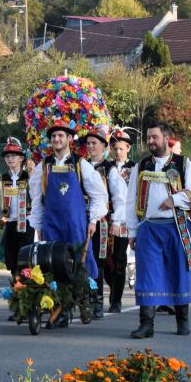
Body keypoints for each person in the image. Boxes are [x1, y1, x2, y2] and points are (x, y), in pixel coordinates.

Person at [27, 120, 108, 327]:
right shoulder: (44, 166)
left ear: (69, 139)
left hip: (75, 224)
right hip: (52, 224)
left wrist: (93, 219)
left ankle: (86, 302)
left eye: (60, 136)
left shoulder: (81, 164)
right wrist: (38, 224)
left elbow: (98, 194)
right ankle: (60, 311)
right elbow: (36, 197)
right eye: (53, 136)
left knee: (80, 263)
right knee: (53, 265)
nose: (56, 139)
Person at [126, 122, 191, 339]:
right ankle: (146, 324)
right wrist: (132, 231)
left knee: (179, 271)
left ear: (166, 138)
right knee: (147, 274)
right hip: (148, 227)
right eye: (148, 138)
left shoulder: (184, 164)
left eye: (155, 137)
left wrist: (175, 200)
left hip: (176, 226)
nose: (150, 141)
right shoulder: (141, 166)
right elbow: (131, 199)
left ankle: (182, 321)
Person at [0, 137, 33, 292]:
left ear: (21, 158)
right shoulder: (1, 180)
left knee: (26, 261)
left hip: (28, 225)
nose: (10, 158)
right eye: (7, 156)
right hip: (11, 225)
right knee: (12, 261)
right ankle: (18, 294)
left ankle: (28, 293)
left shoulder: (30, 177)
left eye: (13, 155)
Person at [83, 126, 119, 319]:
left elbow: (119, 196)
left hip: (103, 222)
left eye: (94, 143)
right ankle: (86, 300)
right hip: (83, 219)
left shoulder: (110, 169)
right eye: (88, 143)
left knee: (99, 261)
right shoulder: (81, 166)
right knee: (83, 260)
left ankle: (98, 301)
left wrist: (117, 220)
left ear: (104, 146)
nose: (90, 147)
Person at [103, 129, 136, 313]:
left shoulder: (135, 168)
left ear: (128, 148)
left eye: (121, 148)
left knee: (120, 258)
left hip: (125, 219)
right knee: (104, 258)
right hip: (106, 218)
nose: (117, 152)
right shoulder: (105, 167)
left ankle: (116, 300)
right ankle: (113, 286)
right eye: (114, 148)